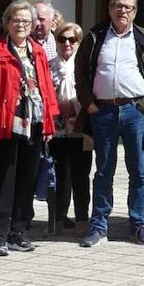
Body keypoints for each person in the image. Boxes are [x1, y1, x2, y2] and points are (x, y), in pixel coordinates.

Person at [75, 0, 144, 248]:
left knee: (139, 169)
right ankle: (99, 224)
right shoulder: (94, 37)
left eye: (128, 7)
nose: (122, 11)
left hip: (134, 112)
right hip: (103, 112)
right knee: (104, 169)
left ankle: (138, 224)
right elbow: (80, 73)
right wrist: (89, 104)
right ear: (109, 8)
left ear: (135, 12)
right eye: (117, 6)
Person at [0, 1, 60, 256]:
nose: (21, 25)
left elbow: (46, 88)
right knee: (4, 181)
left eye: (25, 21)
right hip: (6, 124)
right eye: (16, 20)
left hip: (34, 122)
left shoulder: (38, 51)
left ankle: (18, 231)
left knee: (27, 180)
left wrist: (50, 122)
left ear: (32, 25)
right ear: (7, 23)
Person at [49, 22, 92, 233]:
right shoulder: (49, 65)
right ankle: (57, 218)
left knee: (81, 174)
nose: (67, 43)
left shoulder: (86, 67)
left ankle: (82, 219)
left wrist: (77, 111)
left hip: (81, 126)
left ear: (79, 42)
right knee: (58, 175)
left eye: (72, 39)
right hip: (56, 129)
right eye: (62, 39)